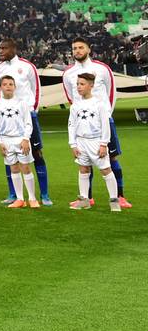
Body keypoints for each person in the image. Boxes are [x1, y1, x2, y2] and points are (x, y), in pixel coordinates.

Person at [61, 37, 129, 208]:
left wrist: (106, 116)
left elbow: (111, 93)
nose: (77, 50)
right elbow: (71, 97)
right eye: (74, 48)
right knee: (84, 162)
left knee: (111, 158)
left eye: (81, 47)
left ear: (88, 49)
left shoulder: (102, 69)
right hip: (83, 123)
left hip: (103, 122)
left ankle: (119, 196)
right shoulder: (68, 74)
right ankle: (87, 198)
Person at [0, 39, 51, 206]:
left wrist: (34, 110)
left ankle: (44, 195)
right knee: (9, 156)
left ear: (13, 49)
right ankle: (14, 194)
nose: (0, 51)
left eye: (4, 48)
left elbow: (36, 88)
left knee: (37, 153)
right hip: (8, 118)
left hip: (27, 115)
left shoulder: (27, 66)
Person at [67, 73, 120, 212]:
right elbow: (71, 125)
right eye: (78, 84)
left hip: (96, 142)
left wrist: (103, 144)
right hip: (81, 142)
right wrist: (73, 144)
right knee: (83, 169)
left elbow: (105, 125)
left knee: (105, 170)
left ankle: (114, 201)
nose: (79, 87)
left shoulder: (99, 104)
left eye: (82, 84)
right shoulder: (75, 105)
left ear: (91, 85)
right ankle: (84, 200)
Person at [0, 76, 37, 208]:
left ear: (15, 87)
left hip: (21, 139)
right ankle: (20, 199)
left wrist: (25, 138)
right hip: (6, 141)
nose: (8, 86)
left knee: (26, 168)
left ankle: (32, 198)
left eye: (11, 84)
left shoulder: (21, 103)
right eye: (5, 84)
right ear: (0, 87)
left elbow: (28, 122)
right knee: (14, 168)